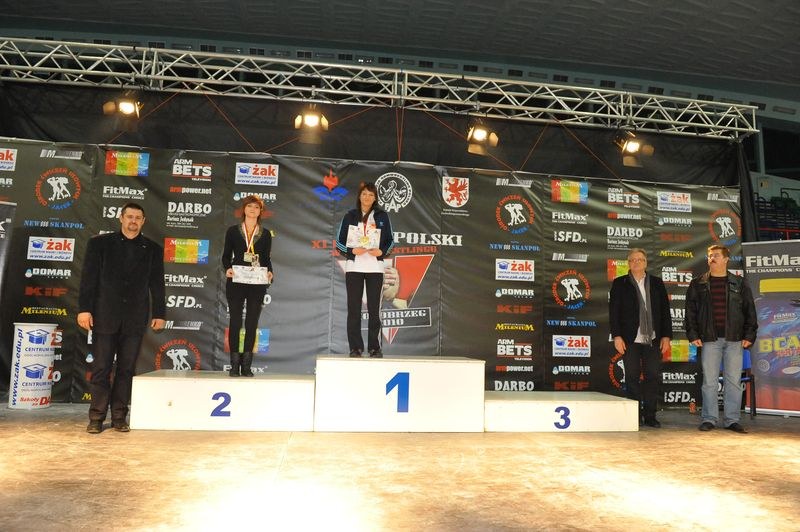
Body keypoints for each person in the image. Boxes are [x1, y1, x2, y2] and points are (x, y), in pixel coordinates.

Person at [77, 202, 166, 434]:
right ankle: (96, 417)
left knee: (126, 369)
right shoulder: (99, 244)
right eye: (129, 217)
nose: (133, 221)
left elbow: (157, 284)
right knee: (101, 368)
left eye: (137, 218)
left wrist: (159, 313)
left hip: (135, 317)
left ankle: (119, 416)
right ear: (121, 218)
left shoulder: (153, 249)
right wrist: (84, 309)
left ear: (143, 221)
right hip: (104, 315)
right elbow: (88, 279)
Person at [685, 244, 757, 433]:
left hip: (735, 339)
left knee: (733, 381)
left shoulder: (739, 283)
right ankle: (709, 418)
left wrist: (750, 334)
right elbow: (690, 312)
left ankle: (732, 420)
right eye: (710, 255)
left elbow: (750, 310)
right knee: (709, 381)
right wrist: (693, 334)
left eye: (716, 255)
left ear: (726, 259)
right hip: (709, 339)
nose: (712, 258)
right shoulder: (698, 283)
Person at [609, 248, 672, 428]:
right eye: (632, 260)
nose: (636, 262)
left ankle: (650, 416)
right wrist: (617, 336)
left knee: (652, 376)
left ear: (645, 263)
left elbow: (665, 311)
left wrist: (666, 335)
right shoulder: (620, 283)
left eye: (640, 259)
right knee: (631, 377)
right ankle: (634, 416)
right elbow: (614, 312)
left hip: (653, 338)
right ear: (628, 263)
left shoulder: (657, 283)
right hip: (629, 339)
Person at [336, 182, 394, 358]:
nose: (367, 197)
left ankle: (375, 347)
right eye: (364, 194)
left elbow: (390, 241)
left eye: (371, 194)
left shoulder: (382, 216)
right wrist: (352, 251)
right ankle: (355, 348)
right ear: (359, 196)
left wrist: (381, 252)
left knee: (374, 310)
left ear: (375, 198)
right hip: (354, 267)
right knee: (354, 309)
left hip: (375, 268)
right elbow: (339, 242)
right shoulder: (350, 216)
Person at [221, 195, 273, 377]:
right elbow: (226, 256)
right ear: (244, 209)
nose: (252, 209)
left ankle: (247, 366)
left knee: (252, 322)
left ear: (260, 212)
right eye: (249, 206)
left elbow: (266, 258)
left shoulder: (265, 234)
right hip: (236, 280)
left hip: (256, 282)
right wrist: (228, 268)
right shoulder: (233, 231)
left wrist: (270, 272)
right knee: (235, 321)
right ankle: (234, 365)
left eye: (256, 207)